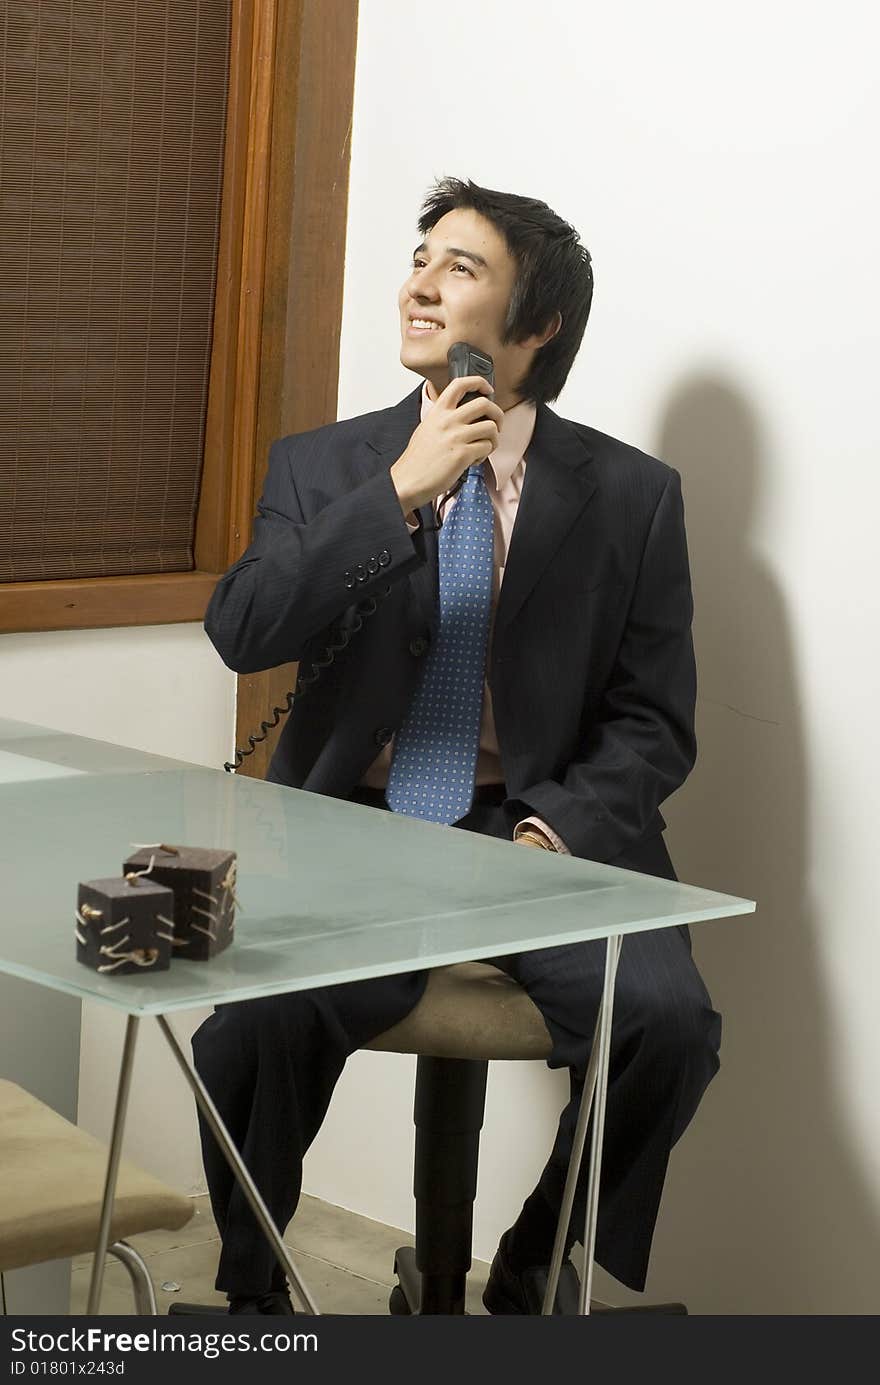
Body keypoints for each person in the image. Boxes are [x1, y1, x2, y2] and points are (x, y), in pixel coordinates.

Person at [194, 177, 722, 1315]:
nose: (419, 285)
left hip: (539, 831)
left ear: (536, 329)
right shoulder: (322, 466)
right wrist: (397, 490)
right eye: (420, 257)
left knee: (668, 1025)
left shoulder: (632, 495)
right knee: (250, 1028)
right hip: (361, 828)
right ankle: (253, 1299)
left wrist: (553, 828)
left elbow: (652, 717)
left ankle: (538, 1254)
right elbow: (243, 631)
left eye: (461, 268)